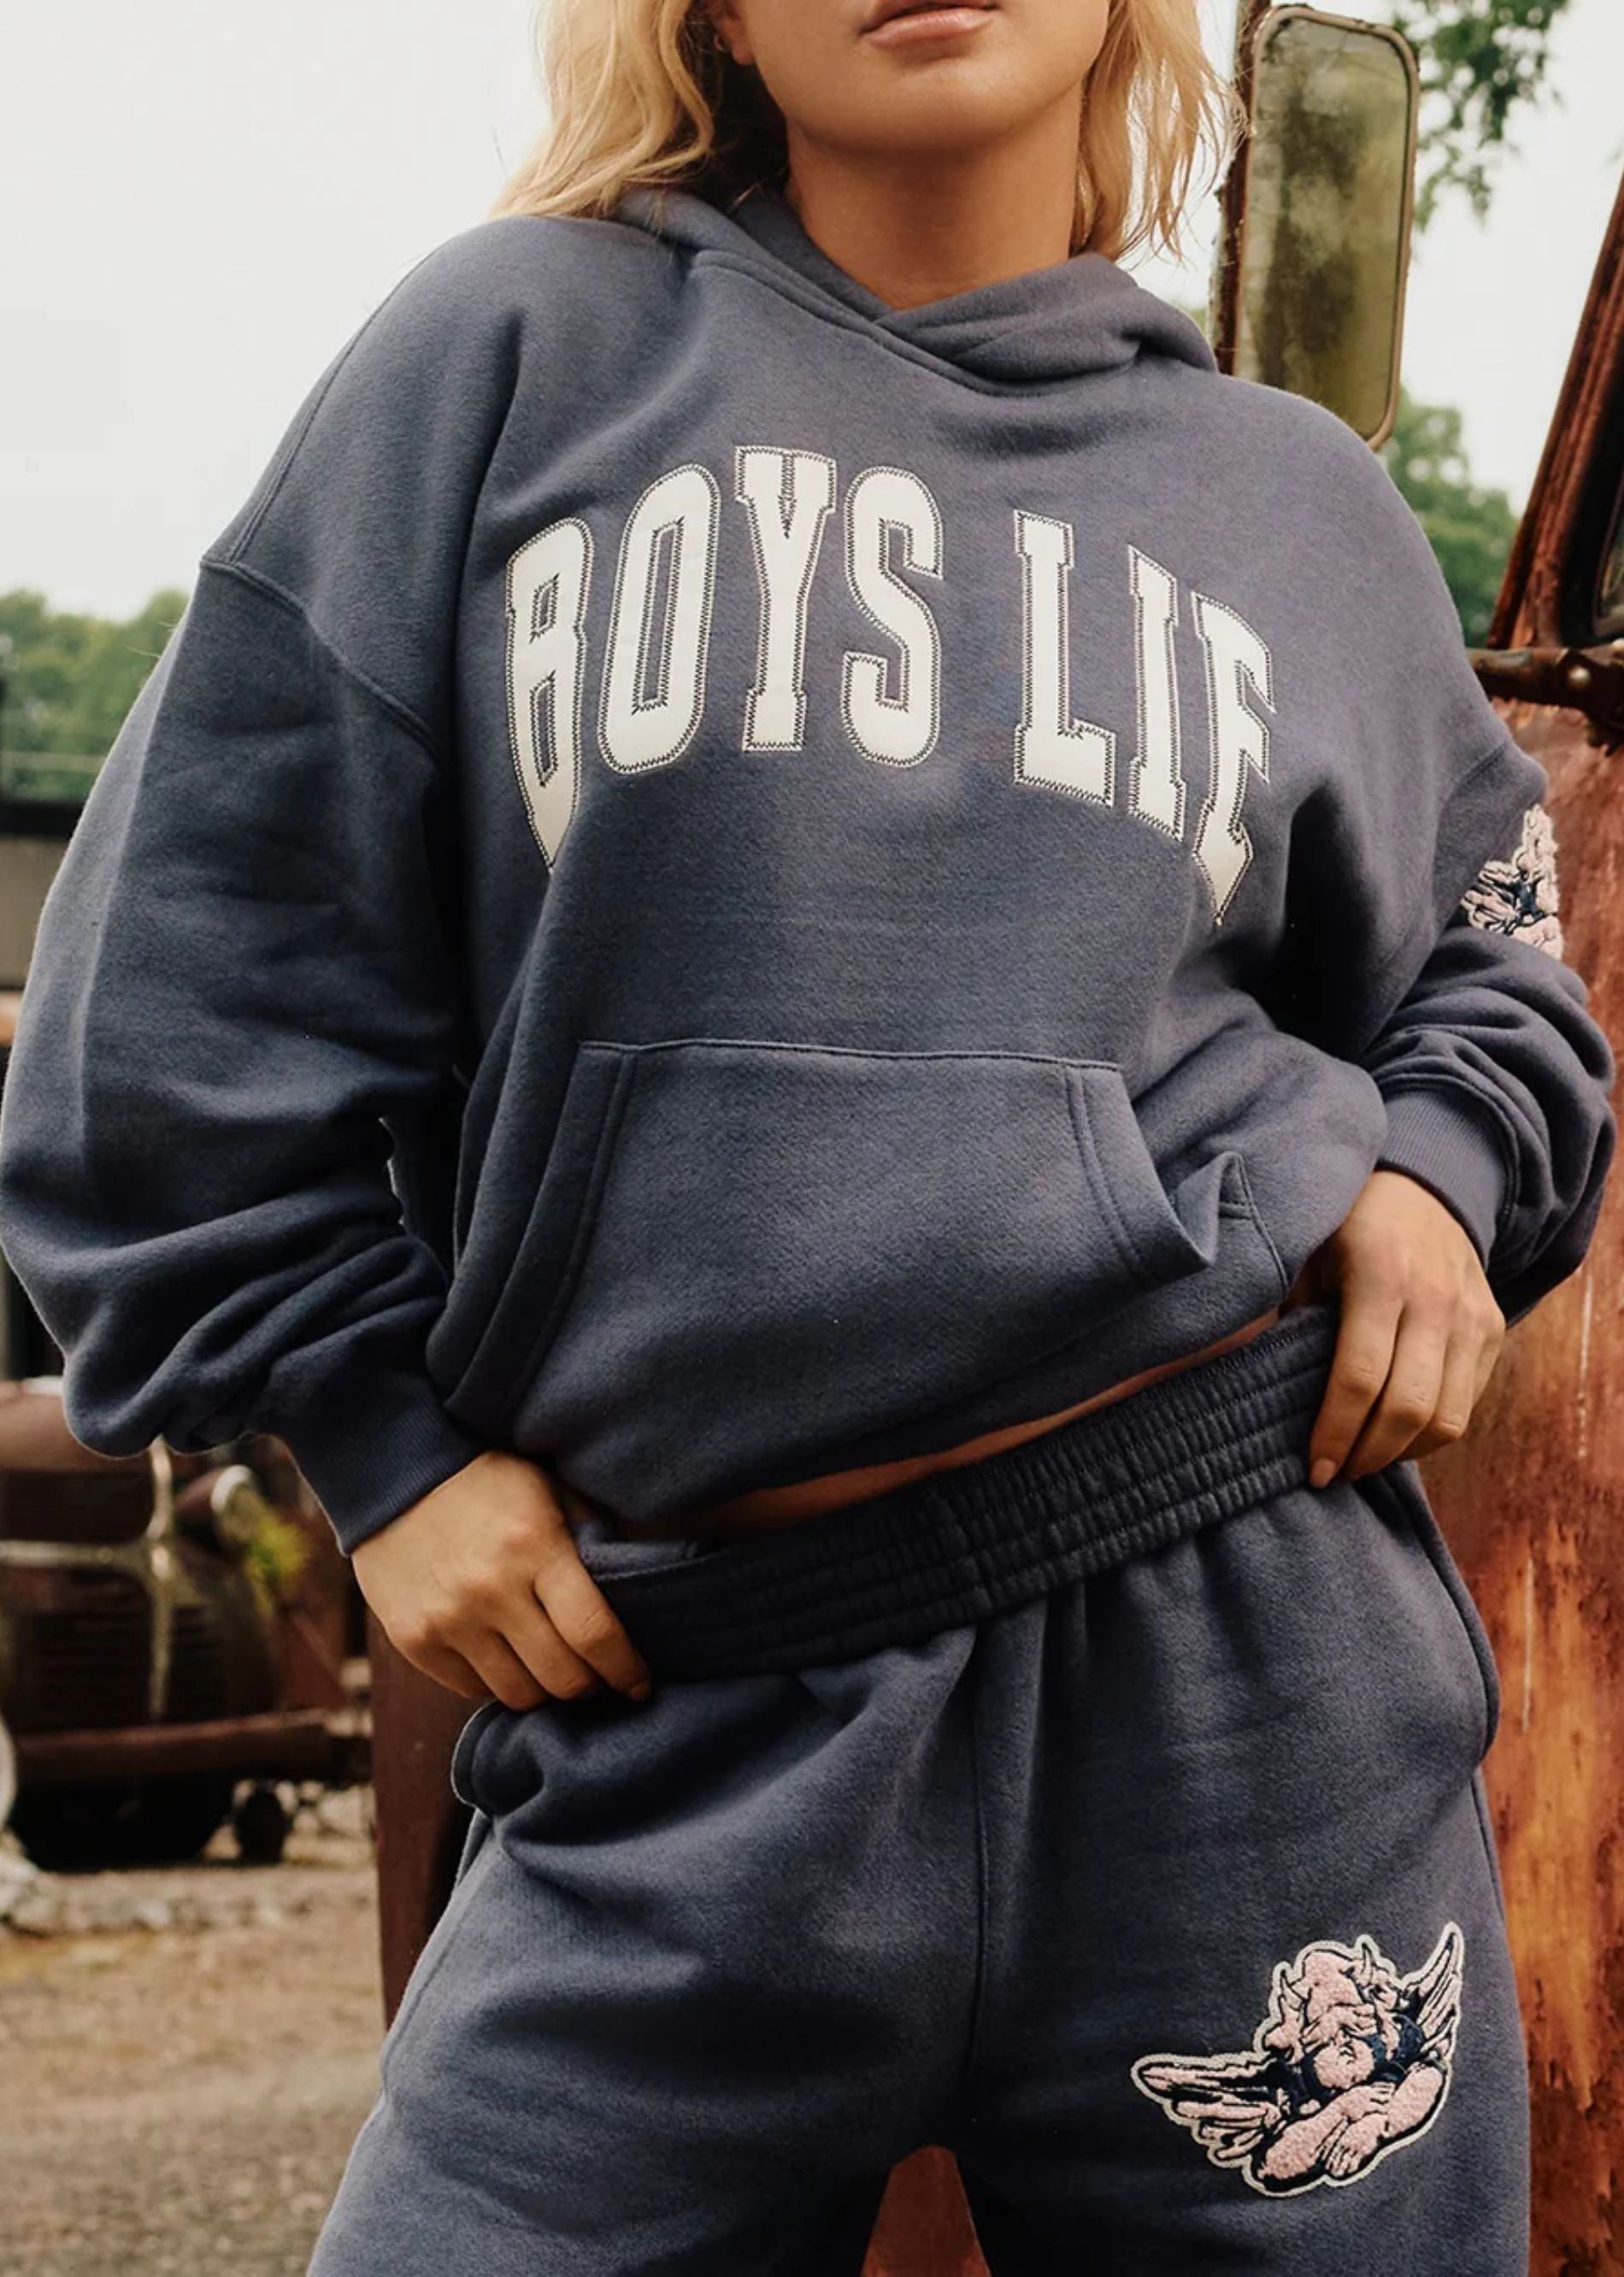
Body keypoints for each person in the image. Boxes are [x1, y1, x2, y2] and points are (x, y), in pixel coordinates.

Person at [0, 0, 1614, 2268]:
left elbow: (1492, 957)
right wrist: (374, 1442)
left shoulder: (1297, 501)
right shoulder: (508, 361)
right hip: (680, 1699)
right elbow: (171, 1006)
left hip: (1242, 1673)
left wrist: (1444, 1174)